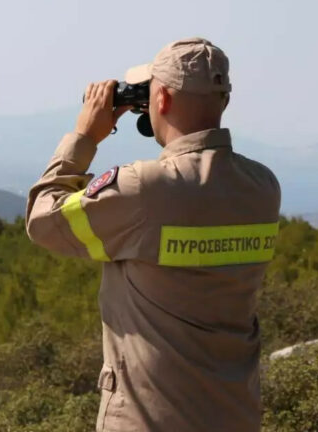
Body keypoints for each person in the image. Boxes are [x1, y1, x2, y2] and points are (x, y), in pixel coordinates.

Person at [25, 37, 281, 432]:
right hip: (234, 415)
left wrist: (85, 137)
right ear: (224, 101)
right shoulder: (263, 186)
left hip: (150, 419)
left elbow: (44, 221)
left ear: (159, 100)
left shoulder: (144, 188)